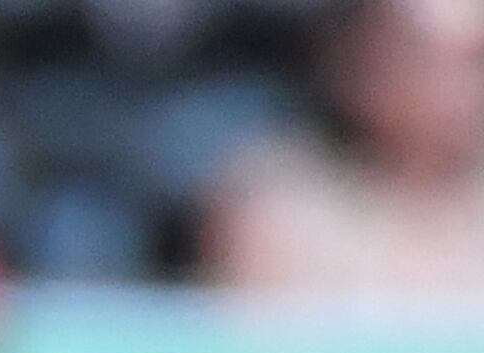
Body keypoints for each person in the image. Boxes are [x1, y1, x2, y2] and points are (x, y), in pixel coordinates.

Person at [207, 0, 484, 294]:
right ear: (359, 58)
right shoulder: (271, 206)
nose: (461, 88)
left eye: (476, 61)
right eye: (427, 60)